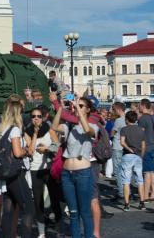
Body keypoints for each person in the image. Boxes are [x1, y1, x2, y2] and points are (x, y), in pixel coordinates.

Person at [0, 94, 34, 238]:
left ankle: (6, 235)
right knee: (28, 208)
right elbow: (17, 153)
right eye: (21, 109)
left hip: (3, 173)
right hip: (14, 172)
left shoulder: (0, 127)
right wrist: (26, 152)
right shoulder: (14, 129)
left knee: (8, 209)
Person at [53, 97, 98, 238]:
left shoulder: (93, 125)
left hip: (83, 172)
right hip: (67, 173)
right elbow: (54, 127)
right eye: (76, 105)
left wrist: (77, 110)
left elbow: (87, 130)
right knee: (73, 212)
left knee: (85, 211)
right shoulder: (69, 126)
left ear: (88, 109)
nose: (77, 107)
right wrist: (60, 108)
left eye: (81, 106)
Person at [25, 108, 58, 238]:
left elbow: (58, 145)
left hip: (49, 169)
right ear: (31, 118)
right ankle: (41, 233)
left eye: (39, 116)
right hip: (35, 169)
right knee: (38, 202)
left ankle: (59, 229)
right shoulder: (27, 132)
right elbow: (31, 151)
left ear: (43, 118)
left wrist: (47, 148)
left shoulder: (49, 130)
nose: (36, 118)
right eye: (33, 116)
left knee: (54, 199)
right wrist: (35, 133)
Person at [120, 111, 146, 211]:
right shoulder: (141, 130)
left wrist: (129, 148)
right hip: (138, 156)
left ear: (126, 119)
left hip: (127, 155)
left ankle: (127, 204)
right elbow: (143, 146)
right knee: (140, 180)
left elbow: (122, 142)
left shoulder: (124, 129)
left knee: (126, 180)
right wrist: (141, 156)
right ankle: (142, 203)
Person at [138, 98, 154, 202]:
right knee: (152, 172)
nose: (138, 107)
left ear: (143, 106)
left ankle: (145, 195)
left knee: (146, 172)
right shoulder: (152, 117)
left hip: (146, 147)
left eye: (139, 105)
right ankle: (153, 193)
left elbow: (140, 134)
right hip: (153, 146)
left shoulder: (142, 119)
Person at [110, 102, 126, 201]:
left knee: (118, 171)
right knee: (125, 170)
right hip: (125, 147)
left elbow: (112, 133)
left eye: (114, 110)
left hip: (117, 146)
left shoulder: (118, 120)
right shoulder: (128, 119)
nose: (113, 111)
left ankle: (121, 192)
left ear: (118, 110)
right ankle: (126, 190)